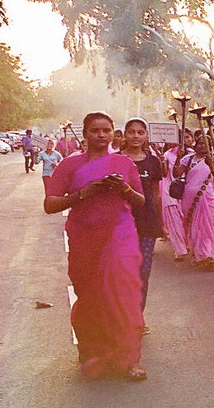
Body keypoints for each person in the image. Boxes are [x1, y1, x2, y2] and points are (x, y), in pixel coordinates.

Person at [43, 112, 147, 380]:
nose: (101, 136)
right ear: (86, 134)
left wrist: (123, 188)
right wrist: (82, 194)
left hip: (119, 235)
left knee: (123, 294)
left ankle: (127, 358)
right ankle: (93, 351)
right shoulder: (70, 165)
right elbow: (50, 204)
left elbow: (140, 202)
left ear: (114, 133)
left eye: (106, 130)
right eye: (95, 131)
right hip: (84, 236)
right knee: (90, 294)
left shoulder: (124, 164)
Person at [121, 119, 164, 312]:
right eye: (131, 132)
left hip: (147, 224)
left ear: (146, 135)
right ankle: (124, 314)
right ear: (124, 135)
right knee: (123, 272)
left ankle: (138, 316)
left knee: (143, 272)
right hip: (120, 225)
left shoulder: (153, 162)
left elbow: (156, 195)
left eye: (140, 132)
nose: (136, 136)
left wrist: (161, 223)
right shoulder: (116, 160)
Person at [176, 136, 214, 270]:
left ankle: (209, 256)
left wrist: (212, 166)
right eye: (200, 143)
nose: (202, 146)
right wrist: (179, 158)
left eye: (205, 144)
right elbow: (176, 173)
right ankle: (199, 254)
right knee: (194, 227)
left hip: (207, 197)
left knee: (208, 227)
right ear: (196, 145)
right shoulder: (188, 158)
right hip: (189, 198)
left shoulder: (213, 159)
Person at [161, 134, 191, 262]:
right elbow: (164, 173)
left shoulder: (192, 154)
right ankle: (179, 250)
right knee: (175, 221)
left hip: (187, 190)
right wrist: (161, 161)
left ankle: (189, 243)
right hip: (171, 190)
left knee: (187, 219)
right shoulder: (167, 154)